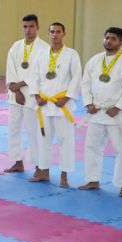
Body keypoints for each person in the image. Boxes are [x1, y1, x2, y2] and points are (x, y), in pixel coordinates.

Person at [78, 27, 122, 197]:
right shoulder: (95, 60)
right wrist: (88, 103)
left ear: (120, 41)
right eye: (107, 37)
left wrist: (119, 107)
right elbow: (85, 83)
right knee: (92, 146)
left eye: (113, 38)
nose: (109, 41)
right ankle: (92, 179)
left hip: (117, 113)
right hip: (96, 111)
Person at [28, 22, 81, 187]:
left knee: (65, 140)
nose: (55, 34)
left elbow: (76, 77)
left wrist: (67, 97)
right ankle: (43, 171)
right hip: (44, 104)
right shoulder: (41, 54)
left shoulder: (71, 54)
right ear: (48, 33)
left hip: (61, 105)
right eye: (52, 32)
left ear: (64, 34)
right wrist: (36, 96)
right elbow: (34, 76)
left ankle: (64, 175)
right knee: (43, 139)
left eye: (58, 32)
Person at [4, 14, 49, 174]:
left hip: (32, 94)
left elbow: (39, 73)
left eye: (31, 26)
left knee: (33, 130)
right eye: (25, 26)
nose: (27, 30)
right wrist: (14, 89)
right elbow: (10, 69)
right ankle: (17, 161)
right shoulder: (16, 46)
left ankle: (38, 164)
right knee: (13, 128)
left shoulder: (44, 48)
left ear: (37, 27)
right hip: (15, 93)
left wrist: (21, 86)